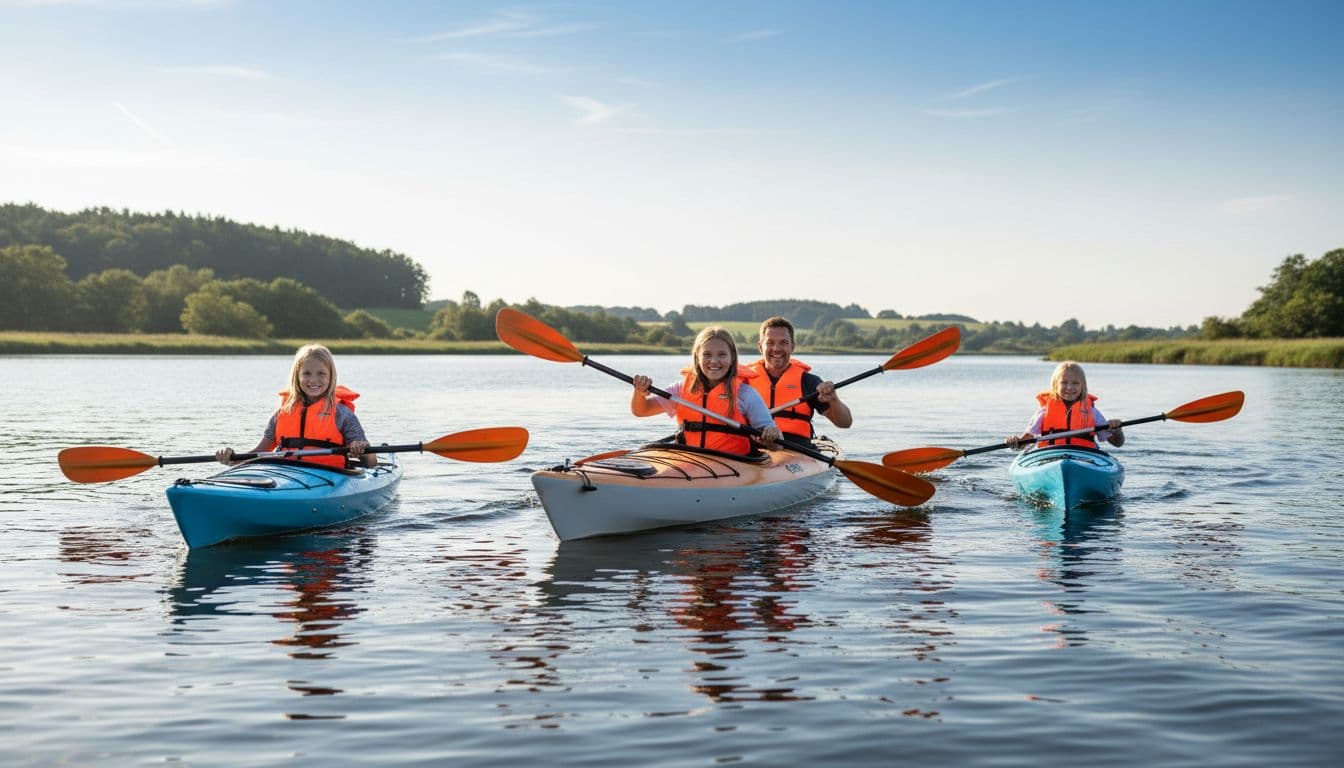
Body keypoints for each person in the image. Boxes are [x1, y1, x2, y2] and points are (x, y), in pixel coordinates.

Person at [216, 343, 375, 469]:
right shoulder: (281, 413)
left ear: (331, 376)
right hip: (286, 476)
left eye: (321, 373)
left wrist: (361, 448)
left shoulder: (342, 413)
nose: (313, 380)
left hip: (330, 477)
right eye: (306, 373)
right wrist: (232, 457)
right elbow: (260, 452)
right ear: (297, 376)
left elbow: (371, 461)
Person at [631, 326, 783, 455]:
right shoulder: (680, 390)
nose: (714, 361)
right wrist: (639, 392)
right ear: (697, 357)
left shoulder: (745, 394)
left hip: (734, 464)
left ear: (732, 358)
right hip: (690, 461)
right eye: (707, 355)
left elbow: (777, 445)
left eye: (722, 354)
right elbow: (641, 410)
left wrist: (770, 437)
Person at [744, 316, 853, 441]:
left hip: (798, 450)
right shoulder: (744, 382)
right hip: (753, 449)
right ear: (760, 346)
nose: (777, 349)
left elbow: (845, 423)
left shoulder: (809, 382)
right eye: (770, 343)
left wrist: (834, 399)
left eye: (783, 343)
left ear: (792, 347)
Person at [1006, 361, 1125, 450]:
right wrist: (1015, 442)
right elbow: (1023, 443)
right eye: (1064, 382)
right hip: (1051, 457)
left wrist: (1117, 430)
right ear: (1055, 385)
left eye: (1075, 383)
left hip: (1085, 457)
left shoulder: (1093, 413)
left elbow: (1117, 443)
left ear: (1082, 386)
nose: (1069, 387)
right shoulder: (1044, 412)